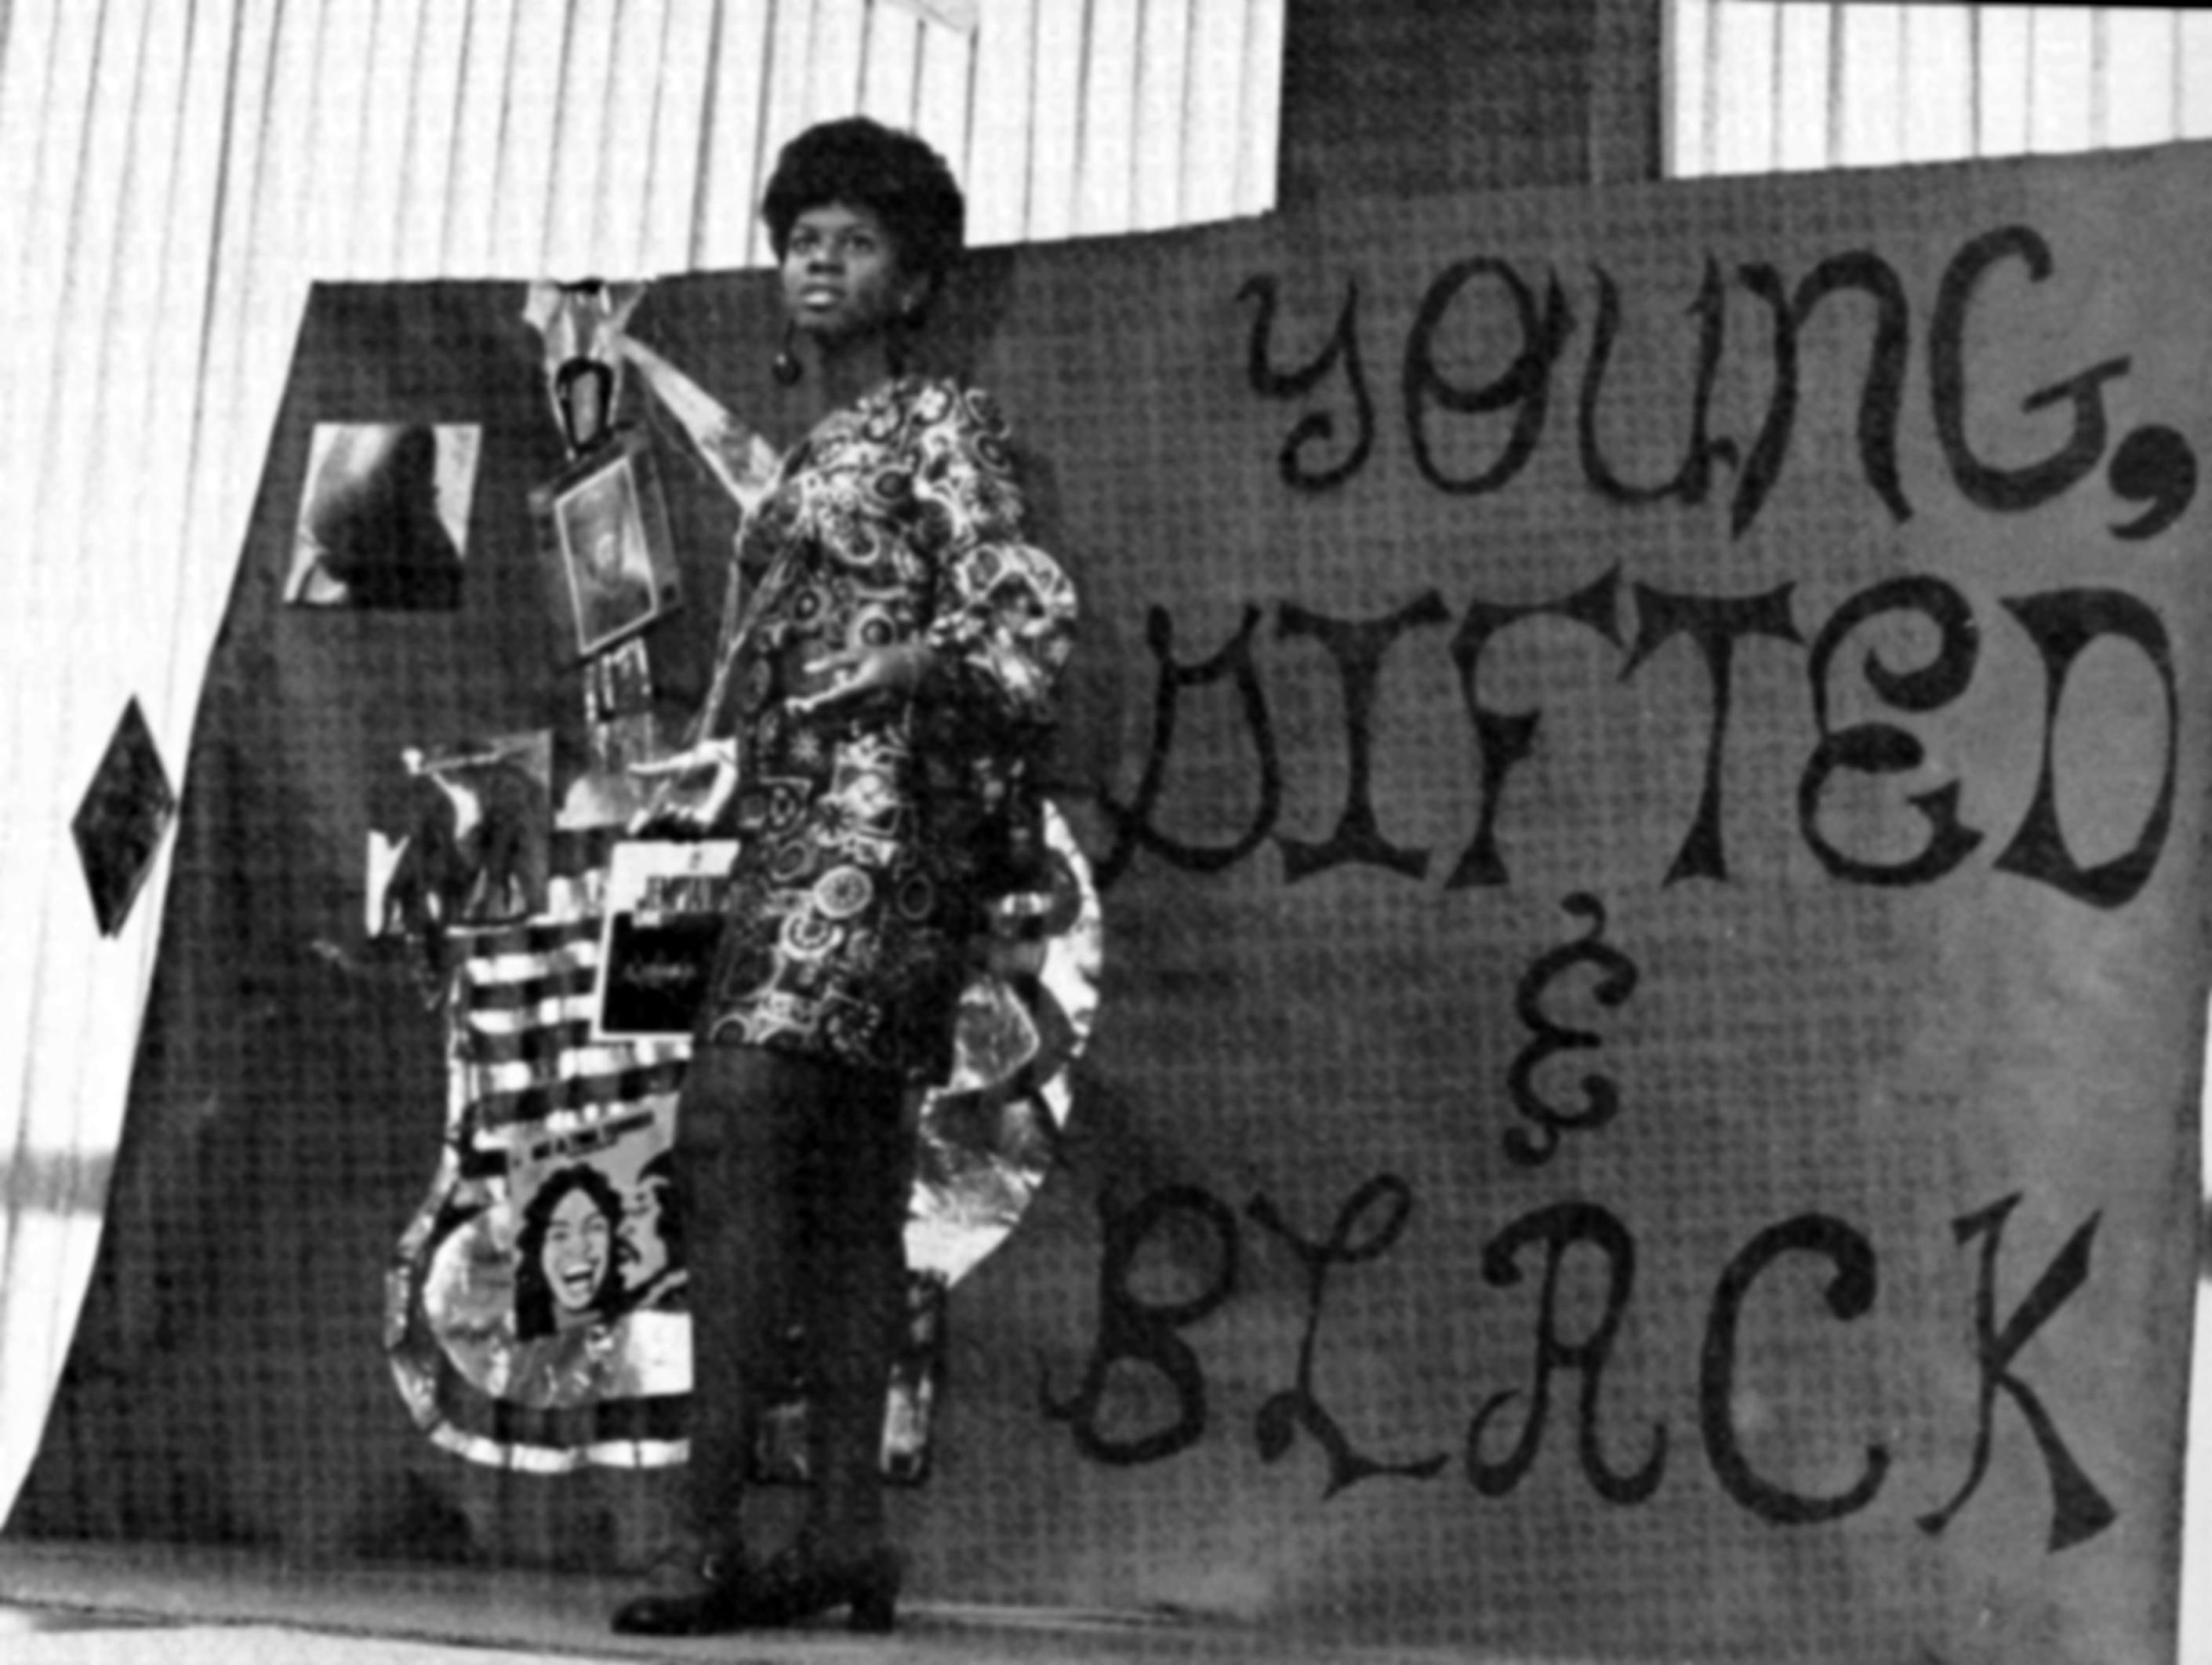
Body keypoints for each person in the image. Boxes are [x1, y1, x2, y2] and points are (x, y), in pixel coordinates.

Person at [612, 116, 1076, 1637]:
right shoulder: (819, 449)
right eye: (800, 234)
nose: (817, 256)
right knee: (842, 1181)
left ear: (916, 280)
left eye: (855, 239)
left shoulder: (945, 426)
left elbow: (1023, 623)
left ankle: (702, 1538)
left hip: (884, 826)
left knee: (738, 1130)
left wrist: (908, 655)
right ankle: (839, 1544)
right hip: (797, 818)